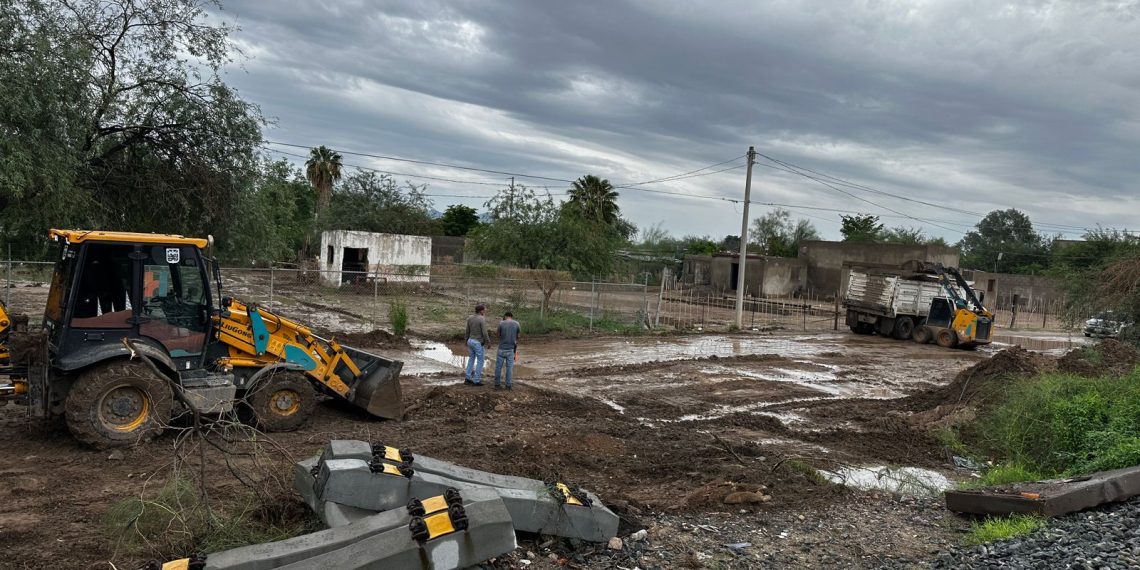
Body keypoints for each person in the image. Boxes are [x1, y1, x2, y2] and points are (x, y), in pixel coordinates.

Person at [493, 311, 521, 390]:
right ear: (511, 316)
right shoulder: (517, 324)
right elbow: (518, 336)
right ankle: (508, 385)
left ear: (505, 316)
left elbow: (498, 335)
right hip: (511, 349)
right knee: (509, 368)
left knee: (498, 367)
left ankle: (497, 385)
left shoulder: (501, 323)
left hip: (501, 348)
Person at [464, 304, 490, 386]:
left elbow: (467, 331)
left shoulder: (470, 318)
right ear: (481, 311)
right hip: (477, 342)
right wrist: (488, 341)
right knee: (480, 361)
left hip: (470, 341)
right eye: (484, 310)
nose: (484, 311)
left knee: (471, 359)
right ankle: (476, 380)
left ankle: (467, 378)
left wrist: (466, 341)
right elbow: (484, 332)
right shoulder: (482, 319)